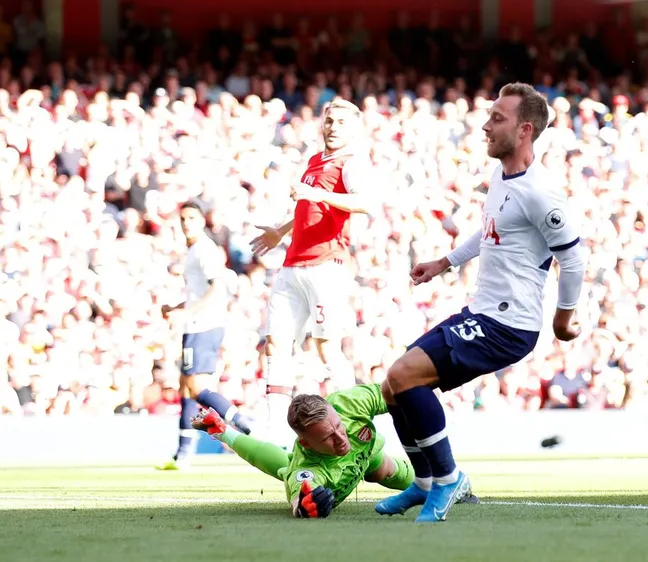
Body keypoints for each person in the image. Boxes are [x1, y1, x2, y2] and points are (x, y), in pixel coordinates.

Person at [375, 83, 586, 522]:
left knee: (405, 375)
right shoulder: (501, 177)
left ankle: (449, 480)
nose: (486, 125)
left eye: (497, 118)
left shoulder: (541, 192)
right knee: (391, 387)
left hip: (510, 324)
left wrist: (564, 318)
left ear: (524, 130)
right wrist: (444, 263)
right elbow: (492, 230)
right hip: (483, 312)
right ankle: (425, 482)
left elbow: (573, 257)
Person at [249, 99, 375, 449]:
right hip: (293, 262)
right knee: (276, 342)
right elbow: (310, 205)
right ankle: (275, 431)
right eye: (329, 120)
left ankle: (353, 421)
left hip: (326, 265)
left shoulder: (352, 163)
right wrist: (281, 230)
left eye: (340, 122)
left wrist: (315, 192)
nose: (333, 126)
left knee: (325, 347)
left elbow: (366, 202)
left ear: (353, 128)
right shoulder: (315, 161)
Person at [192, 384, 476, 518]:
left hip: (369, 454)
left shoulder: (351, 403)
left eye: (339, 426)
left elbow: (400, 389)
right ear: (307, 444)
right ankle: (220, 431)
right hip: (323, 469)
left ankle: (444, 485)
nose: (341, 439)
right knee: (286, 468)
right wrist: (305, 504)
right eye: (328, 438)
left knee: (385, 470)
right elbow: (301, 494)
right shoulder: (308, 468)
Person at [156, 201, 253, 470]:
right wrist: (176, 308)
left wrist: (186, 313)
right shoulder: (193, 250)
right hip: (196, 323)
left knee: (197, 388)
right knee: (186, 387)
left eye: (191, 217)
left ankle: (242, 422)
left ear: (201, 221)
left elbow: (217, 289)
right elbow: (199, 293)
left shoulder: (203, 249)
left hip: (204, 325)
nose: (186, 222)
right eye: (183, 218)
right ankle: (183, 454)